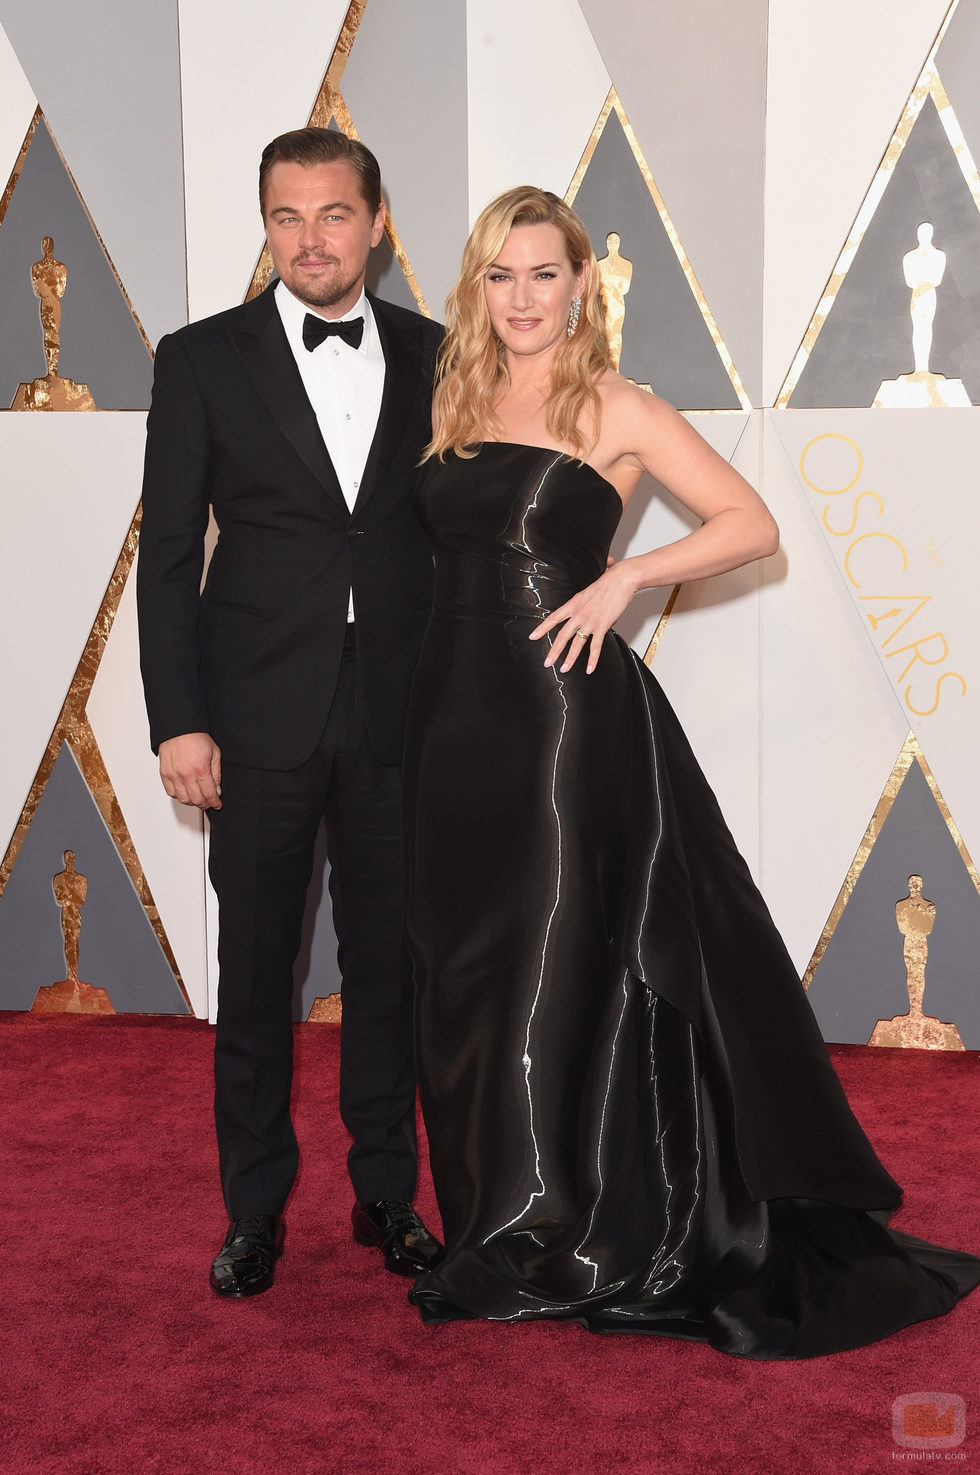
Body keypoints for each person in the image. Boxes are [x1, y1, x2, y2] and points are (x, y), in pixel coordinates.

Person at [401, 186, 980, 1357]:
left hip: (565, 726)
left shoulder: (615, 404)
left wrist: (624, 579)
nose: (521, 297)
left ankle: (545, 1233)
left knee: (550, 977)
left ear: (580, 285)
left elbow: (749, 520)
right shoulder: (455, 396)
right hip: (456, 726)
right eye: (500, 276)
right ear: (480, 287)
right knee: (466, 978)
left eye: (543, 274)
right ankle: (493, 1220)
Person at [137, 128, 443, 1298]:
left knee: (389, 974)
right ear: (263, 224)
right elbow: (167, 555)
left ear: (374, 220)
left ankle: (384, 1196)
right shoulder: (201, 358)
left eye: (331, 214)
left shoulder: (435, 351)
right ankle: (254, 1208)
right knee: (258, 974)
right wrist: (179, 721)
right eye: (285, 216)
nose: (308, 239)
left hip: (397, 720)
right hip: (254, 719)